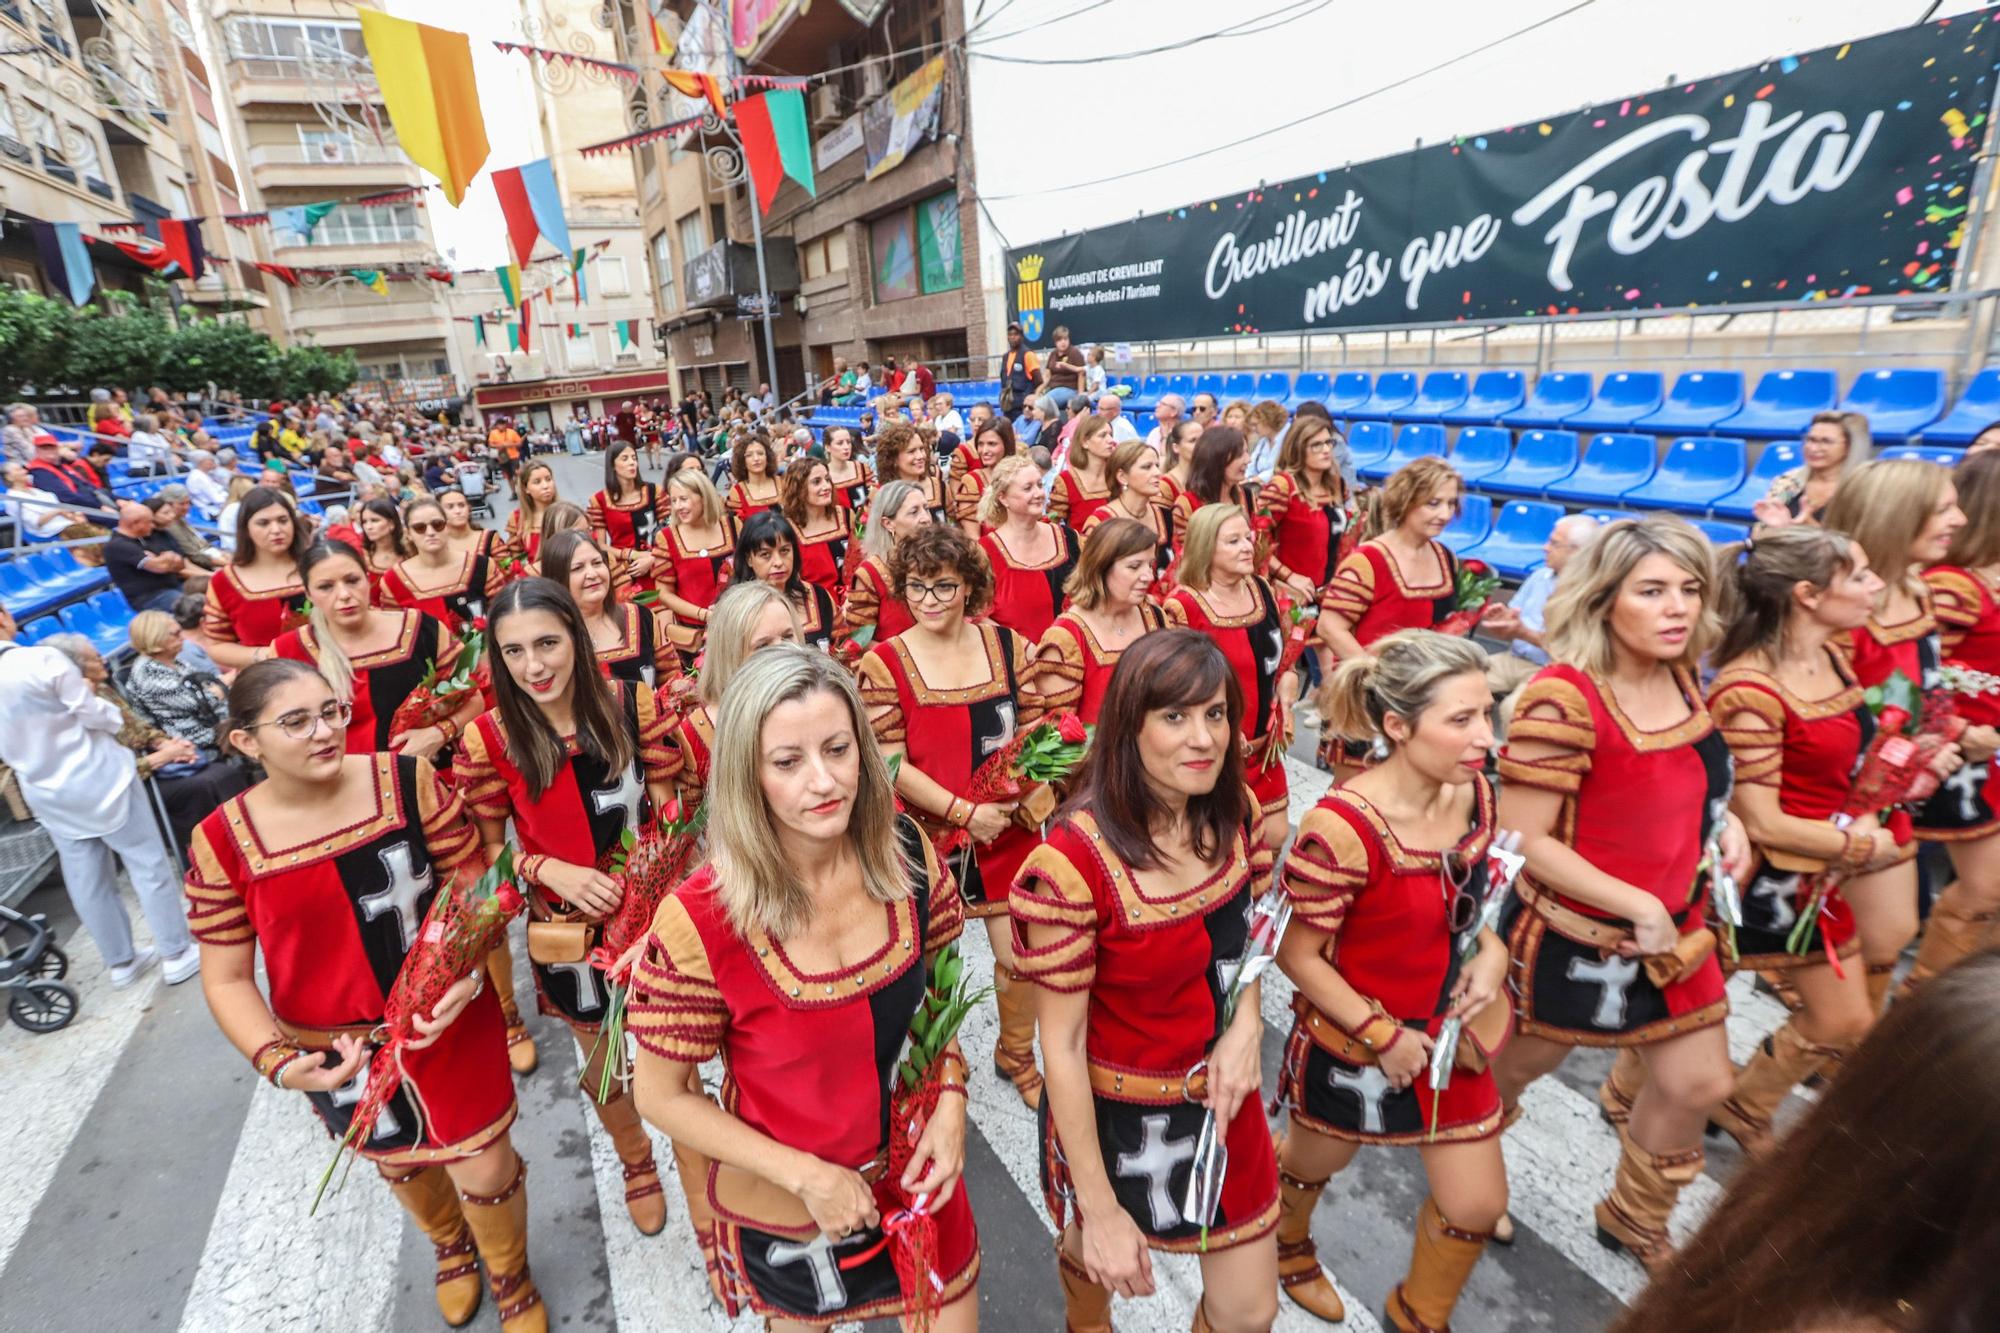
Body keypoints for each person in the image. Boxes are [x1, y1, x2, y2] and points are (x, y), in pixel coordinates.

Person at [185, 660, 542, 1331]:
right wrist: (280, 1062)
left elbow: (472, 882)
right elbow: (227, 975)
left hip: (448, 1022)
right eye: (295, 721)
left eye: (331, 711)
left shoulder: (406, 779)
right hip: (335, 1050)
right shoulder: (221, 841)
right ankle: (450, 1246)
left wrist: (465, 979)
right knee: (399, 1161)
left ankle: (509, 1269)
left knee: (487, 1164)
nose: (323, 731)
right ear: (246, 742)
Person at [630, 646, 979, 1328]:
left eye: (839, 749)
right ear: (748, 776)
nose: (824, 781)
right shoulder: (702, 918)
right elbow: (660, 1092)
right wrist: (809, 1177)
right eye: (788, 762)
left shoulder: (907, 851)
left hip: (919, 1173)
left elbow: (936, 1008)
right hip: (790, 1206)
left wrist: (953, 1096)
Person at [1490, 515, 1751, 1273]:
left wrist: (1722, 821)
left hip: (1678, 931)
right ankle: (1466, 1180)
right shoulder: (1561, 697)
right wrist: (1637, 904)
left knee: (1701, 1080)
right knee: (1506, 1074)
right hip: (1571, 940)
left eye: (1689, 589)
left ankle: (1633, 1218)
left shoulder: (1678, 671)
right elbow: (1523, 839)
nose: (1677, 608)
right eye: (1652, 590)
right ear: (1605, 598)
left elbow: (1679, 784)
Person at [1014, 629, 1279, 1333]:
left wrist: (1246, 1023)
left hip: (1224, 1099)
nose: (1204, 737)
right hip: (1118, 1115)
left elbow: (1243, 941)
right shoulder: (1071, 863)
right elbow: (1061, 1046)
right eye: (1175, 716)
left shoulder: (1233, 814)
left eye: (1217, 714)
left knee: (1250, 1312)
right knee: (1095, 1252)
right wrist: (1098, 1208)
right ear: (1129, 725)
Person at [1273, 630, 1509, 1330]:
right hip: (1353, 1045)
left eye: (1487, 714)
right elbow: (1297, 954)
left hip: (1449, 1037)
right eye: (1461, 720)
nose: (1485, 738)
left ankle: (1418, 1316)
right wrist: (1382, 1034)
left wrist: (1491, 953)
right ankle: (1287, 1245)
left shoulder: (1477, 794)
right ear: (1399, 727)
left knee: (1474, 1205)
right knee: (1313, 1164)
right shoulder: (1342, 825)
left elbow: (1469, 910)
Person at [1609, 949, 2000, 1333]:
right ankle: (1632, 1208)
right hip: (1693, 907)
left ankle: (1741, 1107)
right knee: (1694, 1080)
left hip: (1807, 894)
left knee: (1853, 1003)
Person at [455, 579, 679, 1238]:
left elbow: (669, 810)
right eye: (515, 651)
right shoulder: (488, 738)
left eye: (548, 642)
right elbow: (482, 856)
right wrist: (544, 866)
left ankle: (703, 1158)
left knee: (679, 1040)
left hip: (657, 917)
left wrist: (652, 882)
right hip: (568, 931)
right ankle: (636, 1158)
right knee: (602, 1050)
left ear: (576, 639)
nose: (535, 666)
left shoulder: (632, 703)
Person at [1676, 528, 1904, 1155]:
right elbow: (1764, 821)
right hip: (1756, 881)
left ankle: (1744, 1106)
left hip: (1815, 872)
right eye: (1858, 575)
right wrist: (1863, 849)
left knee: (1846, 1018)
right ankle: (1633, 1114)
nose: (1876, 585)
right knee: (1683, 1018)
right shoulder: (1750, 689)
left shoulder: (1832, 654)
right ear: (1806, 594)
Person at [860, 525, 1046, 1109]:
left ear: (969, 586)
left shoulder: (1010, 646)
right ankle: (942, 1068)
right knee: (935, 970)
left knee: (1021, 956)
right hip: (925, 840)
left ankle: (1015, 1053)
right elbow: (888, 761)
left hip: (1005, 834)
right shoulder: (884, 661)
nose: (928, 600)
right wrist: (966, 812)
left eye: (942, 587)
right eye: (916, 587)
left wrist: (1033, 792)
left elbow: (1039, 725)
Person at [1822, 459, 1974, 1002]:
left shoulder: (1918, 587)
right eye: (1942, 509)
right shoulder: (1839, 612)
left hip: (1893, 795)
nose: (1959, 519)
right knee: (1758, 947)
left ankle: (1840, 1058)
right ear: (1895, 516)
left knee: (1888, 937)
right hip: (1830, 801)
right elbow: (1826, 719)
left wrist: (1939, 738)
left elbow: (1926, 686)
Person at [0, 607, 200, 986]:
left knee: (87, 878)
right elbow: (93, 713)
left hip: (45, 789)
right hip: (99, 775)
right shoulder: (41, 658)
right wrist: (109, 717)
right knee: (147, 864)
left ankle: (121, 962)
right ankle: (175, 951)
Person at [1905, 453, 2000, 987]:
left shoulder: (1983, 580)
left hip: (1981, 754)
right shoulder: (1954, 586)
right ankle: (1922, 1006)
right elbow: (1917, 673)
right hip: (1957, 757)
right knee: (1983, 890)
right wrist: (1962, 731)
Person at [44, 632, 250, 863]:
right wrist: (163, 756)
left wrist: (168, 743)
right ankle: (210, 856)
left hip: (152, 765)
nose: (102, 660)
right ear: (74, 670)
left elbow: (140, 728)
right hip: (127, 784)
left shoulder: (102, 690)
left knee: (223, 774)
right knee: (202, 785)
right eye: (94, 658)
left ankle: (242, 842)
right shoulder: (67, 716)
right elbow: (107, 770)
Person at [1317, 458, 1466, 776]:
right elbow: (1330, 626)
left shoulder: (1446, 558)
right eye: (1433, 503)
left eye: (1451, 503)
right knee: (1355, 798)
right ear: (1406, 500)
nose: (1445, 514)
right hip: (1366, 702)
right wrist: (1381, 678)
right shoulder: (1368, 560)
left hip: (1422, 701)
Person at [270, 540, 478, 761]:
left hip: (427, 774)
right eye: (326, 587)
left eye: (352, 581)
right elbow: (277, 733)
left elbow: (474, 697)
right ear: (309, 594)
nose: (344, 594)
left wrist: (438, 733)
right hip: (338, 785)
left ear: (367, 579)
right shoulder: (288, 651)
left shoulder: (419, 627)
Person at [1164, 503, 1296, 848]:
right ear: (1207, 547)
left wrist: (1288, 681)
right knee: (1221, 846)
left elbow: (1281, 658)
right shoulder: (1183, 606)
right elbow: (1173, 687)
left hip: (1264, 750)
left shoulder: (1262, 590)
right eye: (1233, 541)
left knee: (1275, 836)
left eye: (1248, 538)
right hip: (1212, 755)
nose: (1247, 547)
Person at [660, 581, 801, 808]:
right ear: (730, 652)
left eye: (787, 636)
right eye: (763, 645)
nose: (782, 650)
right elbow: (691, 836)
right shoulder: (698, 734)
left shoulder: (827, 704)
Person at [1033, 517, 1164, 724]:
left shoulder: (1156, 617)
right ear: (1101, 568)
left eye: (1150, 565)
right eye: (1134, 566)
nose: (1148, 576)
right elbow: (1058, 734)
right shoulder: (1067, 637)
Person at [541, 530, 680, 695]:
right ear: (557, 579)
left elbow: (672, 678)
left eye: (597, 563)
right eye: (578, 568)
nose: (592, 574)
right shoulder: (548, 638)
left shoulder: (641, 616)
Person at [203, 487, 309, 670]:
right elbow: (217, 645)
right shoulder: (225, 581)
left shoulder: (318, 566)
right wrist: (268, 654)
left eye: (283, 520)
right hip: (266, 680)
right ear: (246, 529)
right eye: (263, 523)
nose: (276, 530)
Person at [978, 455, 1080, 643]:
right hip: (1018, 662)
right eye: (1028, 488)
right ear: (1003, 498)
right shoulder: (985, 551)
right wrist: (1022, 648)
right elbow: (976, 615)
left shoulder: (1069, 538)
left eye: (1040, 485)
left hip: (1074, 653)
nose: (1039, 493)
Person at [1480, 514, 1602, 670]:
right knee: (1454, 681)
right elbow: (1510, 629)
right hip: (1513, 658)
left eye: (1554, 543)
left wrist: (1524, 633)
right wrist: (1502, 623)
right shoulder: (1539, 576)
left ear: (1578, 552)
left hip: (1552, 669)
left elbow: (1570, 653)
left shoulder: (1594, 593)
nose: (1545, 547)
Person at [1256, 415, 1351, 611]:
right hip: (1293, 597)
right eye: (1316, 445)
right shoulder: (1282, 487)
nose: (1326, 450)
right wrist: (1288, 575)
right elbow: (1256, 542)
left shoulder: (1337, 485)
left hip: (1331, 594)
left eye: (1328, 442)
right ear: (1298, 449)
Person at [378, 498, 505, 639]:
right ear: (408, 534)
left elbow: (504, 615)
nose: (430, 532)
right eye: (420, 528)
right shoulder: (393, 581)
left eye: (437, 525)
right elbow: (394, 632)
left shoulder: (482, 566)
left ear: (447, 527)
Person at [649, 468, 735, 667]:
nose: (678, 506)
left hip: (738, 625)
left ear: (703, 497)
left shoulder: (732, 525)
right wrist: (704, 614)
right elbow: (662, 593)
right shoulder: (667, 538)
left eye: (684, 499)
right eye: (674, 500)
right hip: (695, 637)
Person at [730, 510, 840, 653]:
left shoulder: (819, 598)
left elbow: (843, 649)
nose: (778, 562)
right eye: (765, 554)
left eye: (784, 551)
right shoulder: (735, 610)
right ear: (749, 559)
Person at [843, 479, 933, 651]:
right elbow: (860, 641)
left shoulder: (942, 561)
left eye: (926, 509)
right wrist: (911, 658)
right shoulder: (871, 573)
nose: (926, 518)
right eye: (914, 512)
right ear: (888, 523)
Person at [1752, 411, 1872, 531]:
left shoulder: (1863, 490)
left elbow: (1863, 544)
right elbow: (1759, 532)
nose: (1813, 448)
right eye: (1811, 440)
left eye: (1826, 441)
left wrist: (1809, 526)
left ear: (1849, 447)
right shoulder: (1788, 482)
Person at [1081, 440, 1170, 574]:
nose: (1157, 472)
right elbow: (1090, 578)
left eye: (1157, 465)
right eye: (1147, 467)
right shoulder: (1102, 522)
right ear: (1122, 477)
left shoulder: (1165, 515)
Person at [588, 442, 665, 593]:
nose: (632, 462)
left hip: (657, 562)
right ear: (612, 465)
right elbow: (600, 545)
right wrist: (632, 555)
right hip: (623, 570)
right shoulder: (599, 500)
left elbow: (668, 531)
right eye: (624, 458)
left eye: (634, 458)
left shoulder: (654, 491)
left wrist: (652, 558)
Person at [778, 457, 852, 595]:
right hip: (818, 607)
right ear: (798, 488)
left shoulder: (848, 516)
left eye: (828, 479)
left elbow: (863, 545)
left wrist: (864, 523)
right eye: (817, 482)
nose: (827, 486)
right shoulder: (787, 529)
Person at [1169, 425, 1252, 548]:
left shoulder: (1247, 496)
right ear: (1217, 458)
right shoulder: (1188, 504)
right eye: (1240, 455)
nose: (1248, 460)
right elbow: (1186, 555)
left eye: (1247, 452)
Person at [1049, 415, 1116, 532]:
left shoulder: (1120, 476)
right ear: (1085, 442)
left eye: (1111, 435)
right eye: (1102, 435)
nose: (1111, 440)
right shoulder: (1066, 480)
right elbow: (1053, 521)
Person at [951, 418, 1016, 535]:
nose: (984, 450)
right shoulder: (973, 481)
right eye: (980, 444)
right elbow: (972, 539)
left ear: (1007, 444)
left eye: (992, 444)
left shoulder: (1021, 476)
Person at [875, 421, 945, 525]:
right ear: (893, 459)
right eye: (911, 451)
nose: (920, 456)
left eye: (921, 449)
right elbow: (864, 534)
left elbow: (954, 524)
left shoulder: (939, 486)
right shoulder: (880, 495)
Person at [2, 460, 89, 537]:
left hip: (66, 523)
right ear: (9, 477)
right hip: (48, 531)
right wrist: (58, 511)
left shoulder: (36, 491)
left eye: (23, 469)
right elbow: (35, 522)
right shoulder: (12, 498)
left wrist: (74, 517)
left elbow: (59, 506)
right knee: (91, 535)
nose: (25, 471)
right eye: (19, 470)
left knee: (94, 528)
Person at [504, 460, 559, 566]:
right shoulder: (517, 518)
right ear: (526, 489)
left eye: (548, 479)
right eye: (537, 482)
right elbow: (516, 557)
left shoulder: (566, 512)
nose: (545, 486)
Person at [723, 434, 781, 524]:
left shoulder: (783, 484)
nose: (756, 459)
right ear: (742, 460)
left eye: (760, 453)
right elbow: (735, 528)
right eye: (749, 455)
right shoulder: (737, 492)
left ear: (767, 457)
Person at [439, 487, 506, 564]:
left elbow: (507, 568)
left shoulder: (490, 538)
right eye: (450, 507)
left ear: (469, 508)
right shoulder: (437, 544)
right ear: (439, 512)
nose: (458, 511)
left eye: (461, 505)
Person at [355, 497, 410, 587]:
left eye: (374, 520)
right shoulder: (360, 556)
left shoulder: (411, 551)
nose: (368, 527)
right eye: (364, 522)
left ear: (391, 523)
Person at [822, 427, 872, 512]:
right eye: (840, 443)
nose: (846, 447)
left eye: (848, 442)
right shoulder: (823, 475)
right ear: (827, 447)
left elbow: (874, 499)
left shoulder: (863, 468)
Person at [1040, 325, 1087, 417]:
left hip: (1070, 389)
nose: (1063, 342)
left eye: (1065, 339)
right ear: (1055, 342)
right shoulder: (1053, 354)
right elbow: (1047, 375)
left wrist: (1080, 396)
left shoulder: (1074, 352)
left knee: (1044, 404)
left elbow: (1082, 374)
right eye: (1060, 340)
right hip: (1053, 388)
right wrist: (1038, 391)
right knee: (1035, 402)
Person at [1000, 322, 1040, 417]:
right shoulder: (1005, 356)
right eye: (1010, 334)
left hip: (1023, 407)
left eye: (1015, 334)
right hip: (1008, 406)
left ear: (1021, 337)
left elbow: (1039, 381)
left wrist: (1031, 398)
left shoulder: (1028, 354)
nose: (1012, 337)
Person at [1242, 401, 1287, 486]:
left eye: (1255, 425)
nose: (1253, 429)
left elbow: (1282, 468)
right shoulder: (1263, 440)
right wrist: (1245, 479)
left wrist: (1252, 480)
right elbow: (1251, 465)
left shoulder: (1289, 437)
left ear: (1268, 420)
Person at [186, 450, 230, 519]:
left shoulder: (206, 474)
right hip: (213, 511)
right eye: (210, 460)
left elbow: (220, 489)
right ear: (201, 462)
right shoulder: (198, 477)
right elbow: (217, 499)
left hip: (219, 507)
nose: (213, 462)